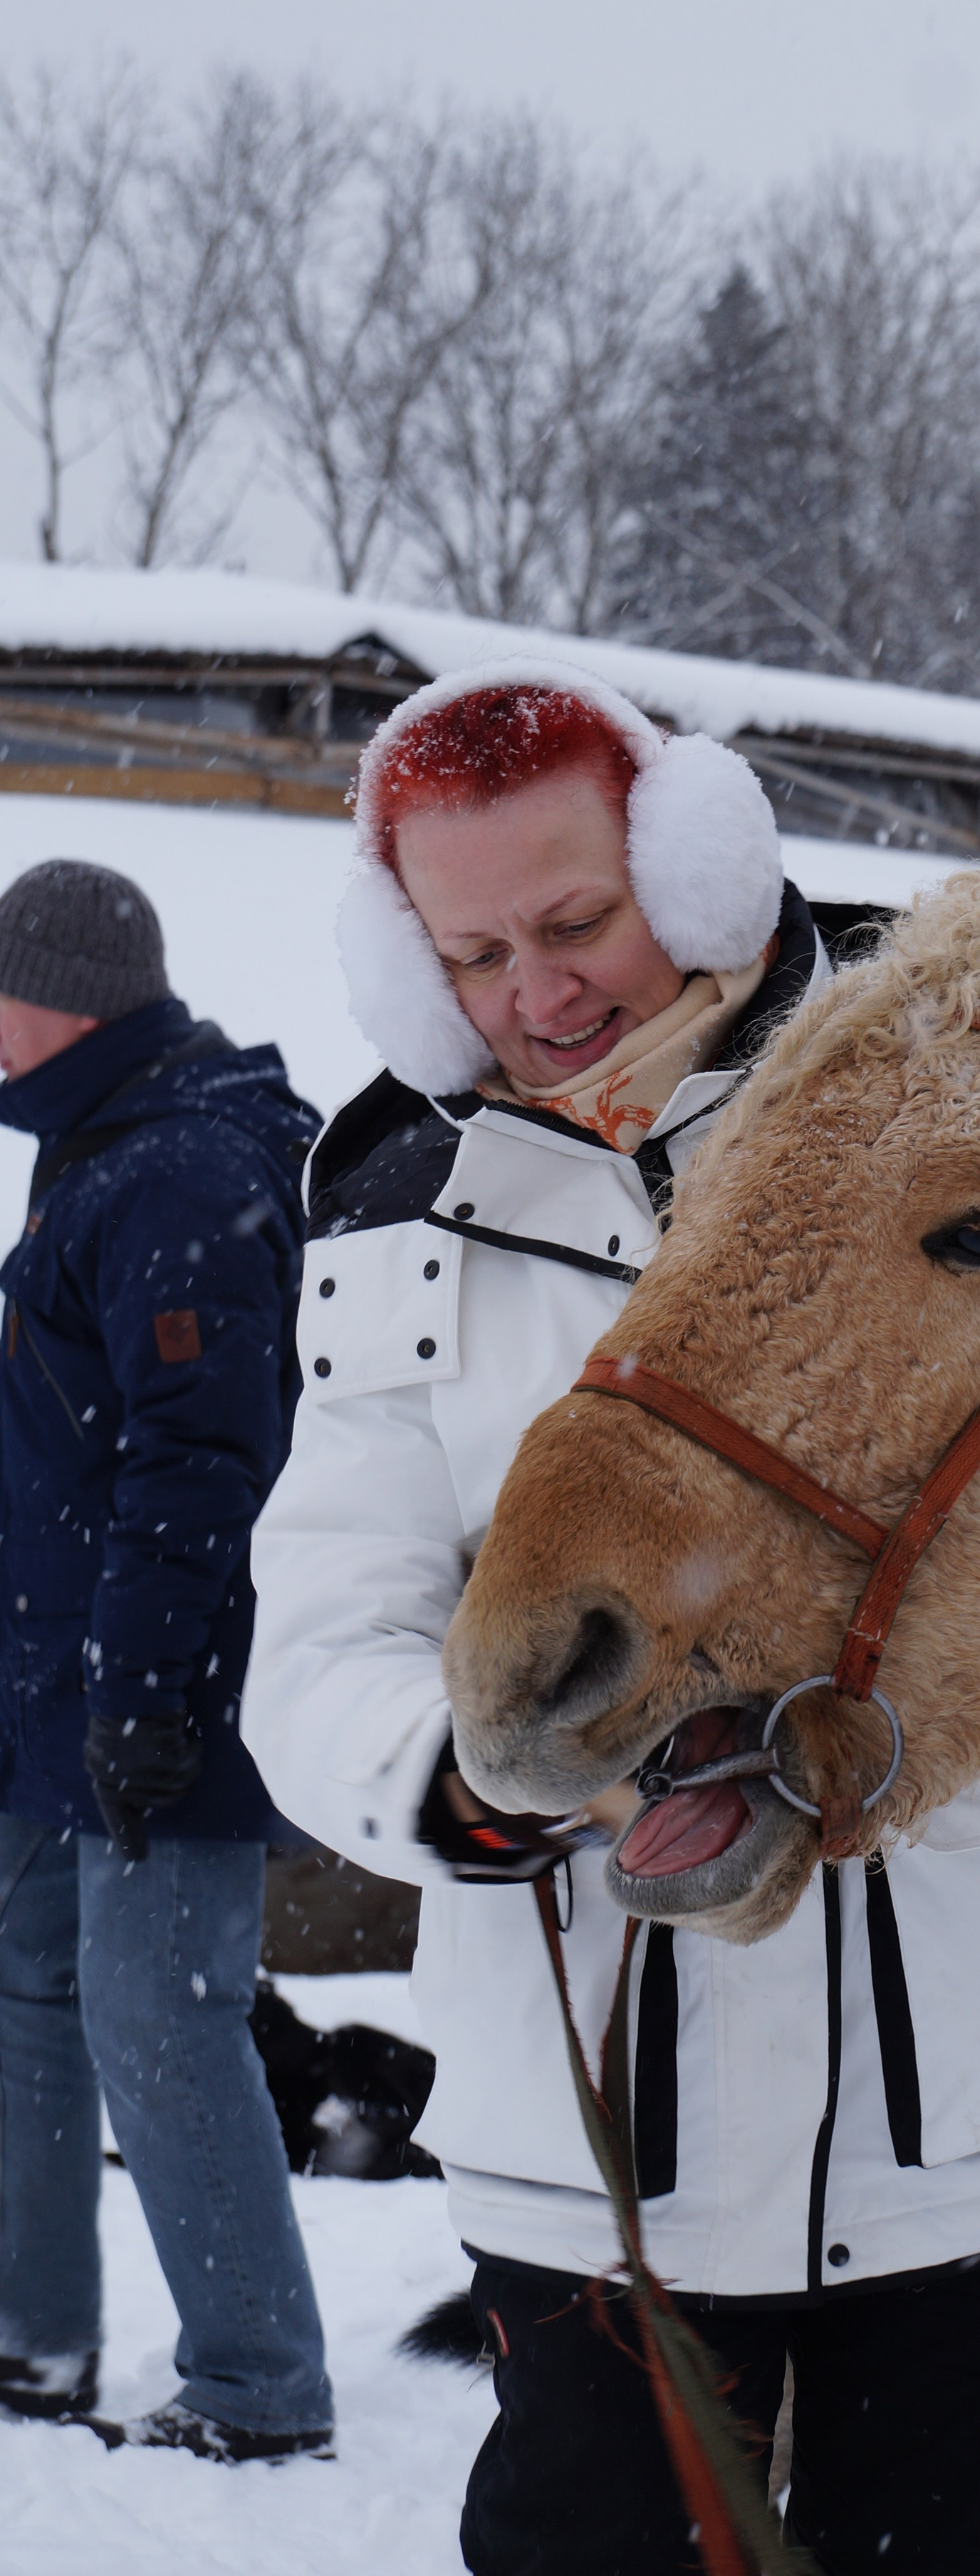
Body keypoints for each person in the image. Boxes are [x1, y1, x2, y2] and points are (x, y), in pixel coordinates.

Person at [241, 665, 980, 2576]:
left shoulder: (960, 1062)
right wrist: (470, 1779)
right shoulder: (391, 1194)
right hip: (604, 2124)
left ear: (692, 869)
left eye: (576, 918)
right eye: (471, 951)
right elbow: (322, 1628)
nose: (538, 991)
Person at [0, 859, 332, 2460]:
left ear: (63, 993)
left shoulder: (181, 1173)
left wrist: (139, 1695)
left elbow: (201, 1461)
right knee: (35, 1993)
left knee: (162, 2011)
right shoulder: (111, 1143)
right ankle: (32, 2337)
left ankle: (260, 2389)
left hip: (162, 1686)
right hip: (58, 1678)